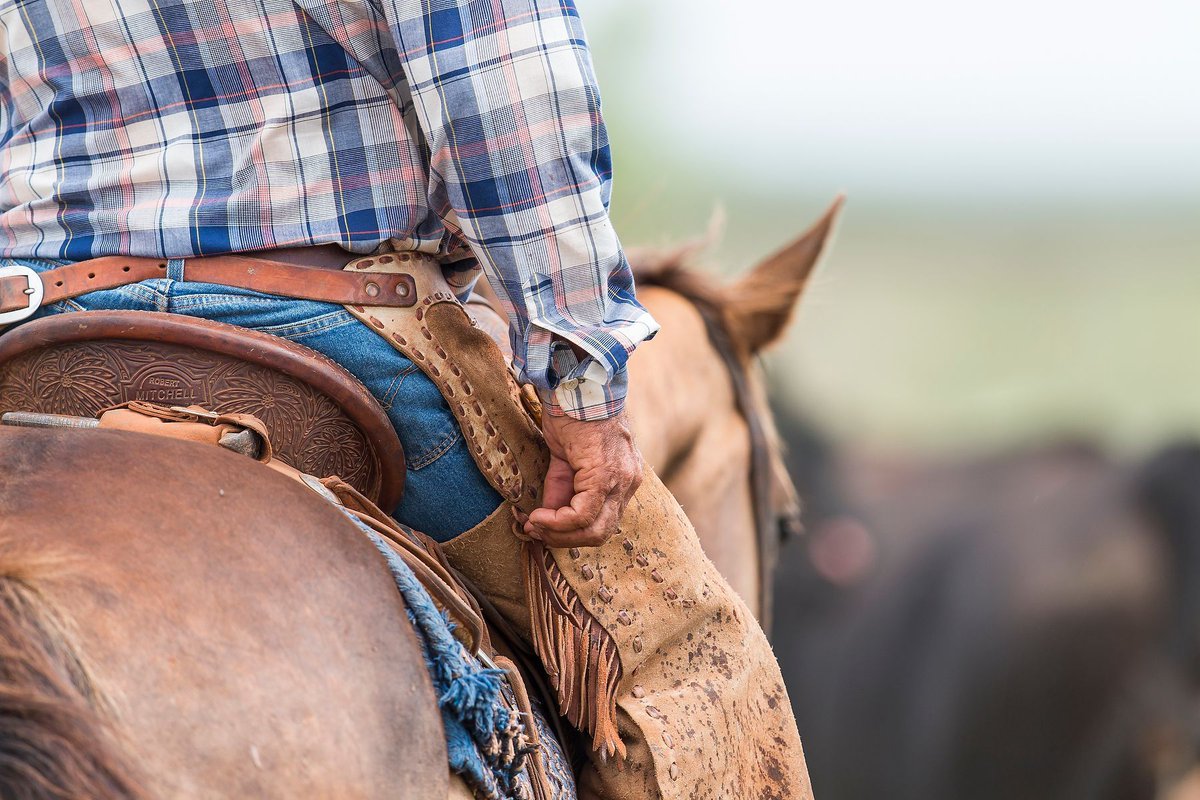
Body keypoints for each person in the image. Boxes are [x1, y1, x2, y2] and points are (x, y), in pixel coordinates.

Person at [0, 1, 811, 797]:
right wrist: (581, 386)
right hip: (325, 321)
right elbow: (502, 83)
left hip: (36, 326)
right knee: (691, 669)